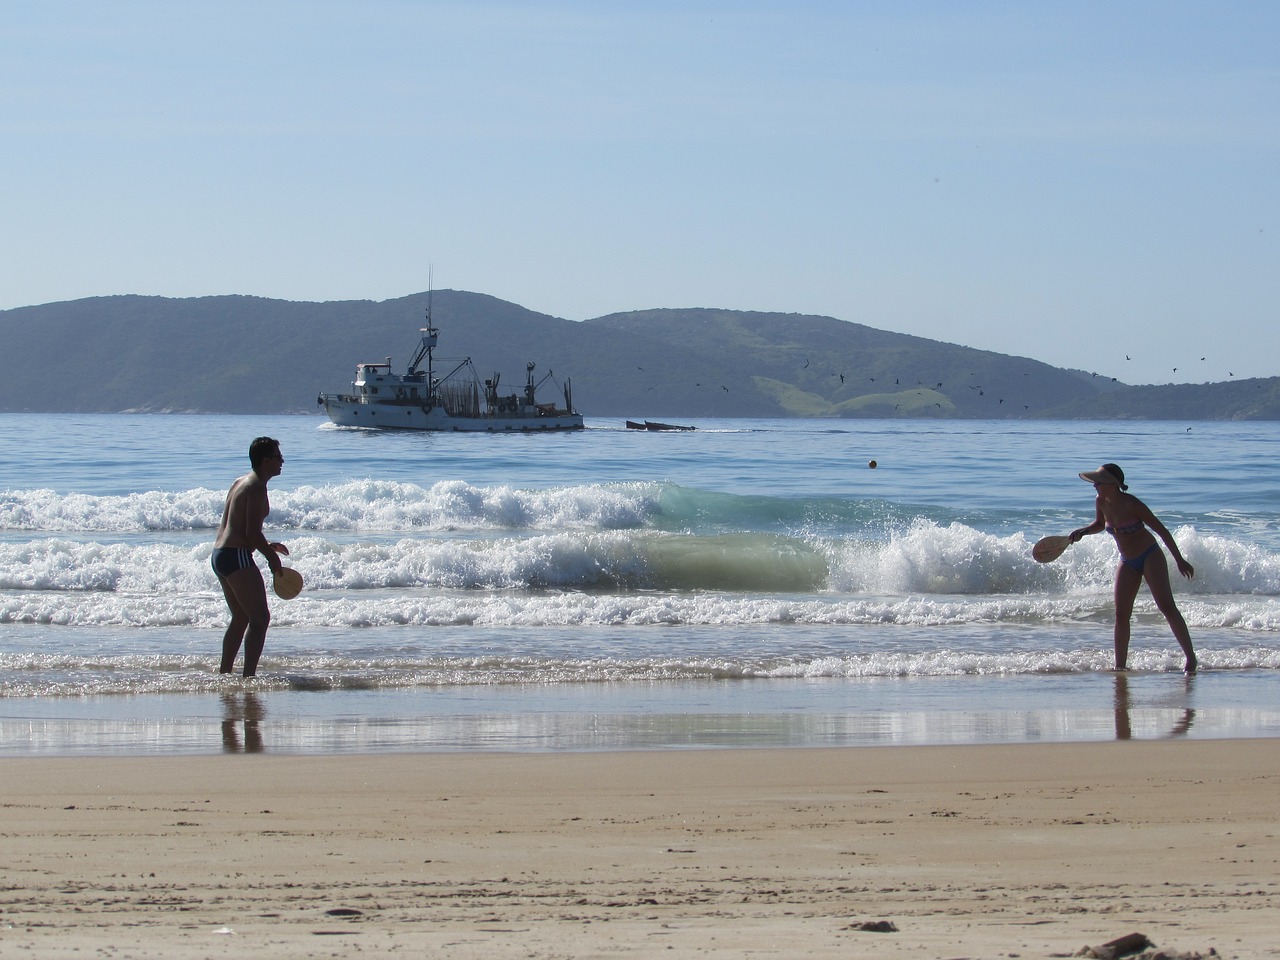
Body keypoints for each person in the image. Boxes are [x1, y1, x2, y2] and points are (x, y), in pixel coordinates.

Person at [1068, 463, 1197, 674]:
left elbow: (1162, 531)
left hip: (1150, 555)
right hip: (1127, 560)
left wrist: (1179, 560)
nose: (1095, 486)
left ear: (1112, 484)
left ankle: (1191, 658)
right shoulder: (1101, 501)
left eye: (1098, 483)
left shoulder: (1132, 504)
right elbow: (1101, 524)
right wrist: (1083, 531)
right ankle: (1120, 666)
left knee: (1166, 606)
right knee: (1121, 615)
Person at [211, 437, 289, 677]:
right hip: (237, 556)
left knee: (242, 617)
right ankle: (249, 677)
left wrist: (267, 545)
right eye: (278, 457)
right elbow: (250, 533)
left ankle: (224, 674)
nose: (282, 461)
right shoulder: (256, 487)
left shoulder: (241, 481)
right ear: (266, 461)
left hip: (220, 555)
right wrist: (271, 558)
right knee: (261, 618)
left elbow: (239, 527)